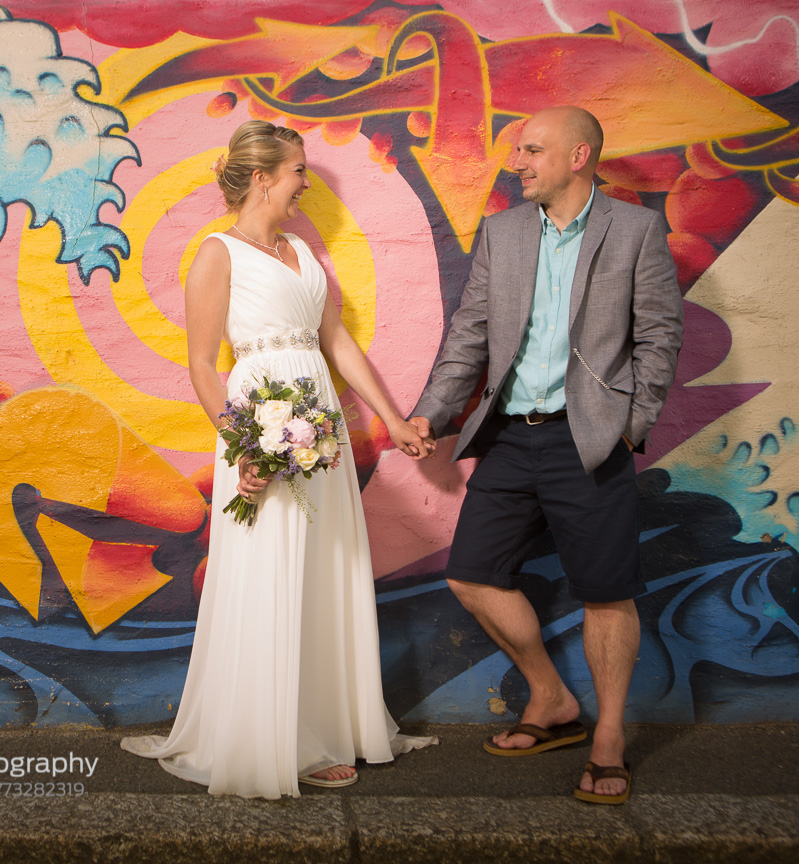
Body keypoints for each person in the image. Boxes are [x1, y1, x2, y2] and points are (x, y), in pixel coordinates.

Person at [122, 120, 437, 798]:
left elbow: (337, 343)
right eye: (298, 170)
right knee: (270, 569)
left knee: (323, 567)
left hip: (319, 428)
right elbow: (202, 365)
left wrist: (391, 420)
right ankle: (275, 739)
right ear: (263, 178)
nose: (306, 181)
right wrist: (244, 447)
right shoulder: (217, 254)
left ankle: (329, 724)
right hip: (258, 426)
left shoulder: (299, 249)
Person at [410, 106, 682, 805]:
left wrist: (630, 427)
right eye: (518, 151)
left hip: (589, 439)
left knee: (606, 592)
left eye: (532, 150)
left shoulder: (636, 230)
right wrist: (432, 413)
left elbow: (659, 336)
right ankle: (552, 697)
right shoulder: (502, 233)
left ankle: (609, 738)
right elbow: (469, 334)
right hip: (509, 435)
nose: (518, 163)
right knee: (472, 575)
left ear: (578, 156)